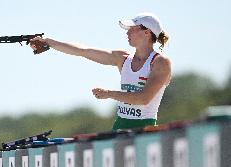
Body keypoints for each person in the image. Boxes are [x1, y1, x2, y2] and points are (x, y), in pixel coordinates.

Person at [29, 12, 171, 130]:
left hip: (144, 129)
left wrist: (108, 94)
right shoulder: (122, 58)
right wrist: (48, 42)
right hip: (119, 127)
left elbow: (143, 99)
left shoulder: (161, 62)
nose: (127, 32)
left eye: (132, 28)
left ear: (146, 33)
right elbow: (82, 51)